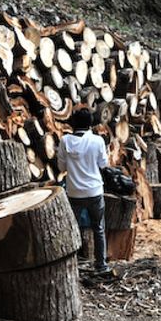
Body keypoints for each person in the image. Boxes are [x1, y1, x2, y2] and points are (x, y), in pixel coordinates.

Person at [59, 107, 110, 276]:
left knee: (72, 228)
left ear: (73, 123)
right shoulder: (97, 141)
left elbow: (61, 167)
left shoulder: (65, 141)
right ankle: (101, 265)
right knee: (99, 228)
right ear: (90, 124)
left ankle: (71, 263)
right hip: (94, 191)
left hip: (74, 192)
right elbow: (104, 164)